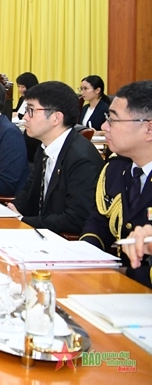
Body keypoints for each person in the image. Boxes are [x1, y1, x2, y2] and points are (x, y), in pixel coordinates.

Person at [80, 80, 152, 288]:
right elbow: (99, 222)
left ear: (148, 130)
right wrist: (85, 255)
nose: (104, 127)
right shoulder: (116, 168)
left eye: (113, 120)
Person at [7, 82, 104, 235]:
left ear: (56, 118)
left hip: (63, 243)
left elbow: (76, 219)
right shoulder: (45, 147)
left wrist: (22, 220)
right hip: (40, 233)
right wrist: (11, 211)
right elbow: (29, 190)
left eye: (31, 110)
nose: (25, 117)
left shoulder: (81, 159)